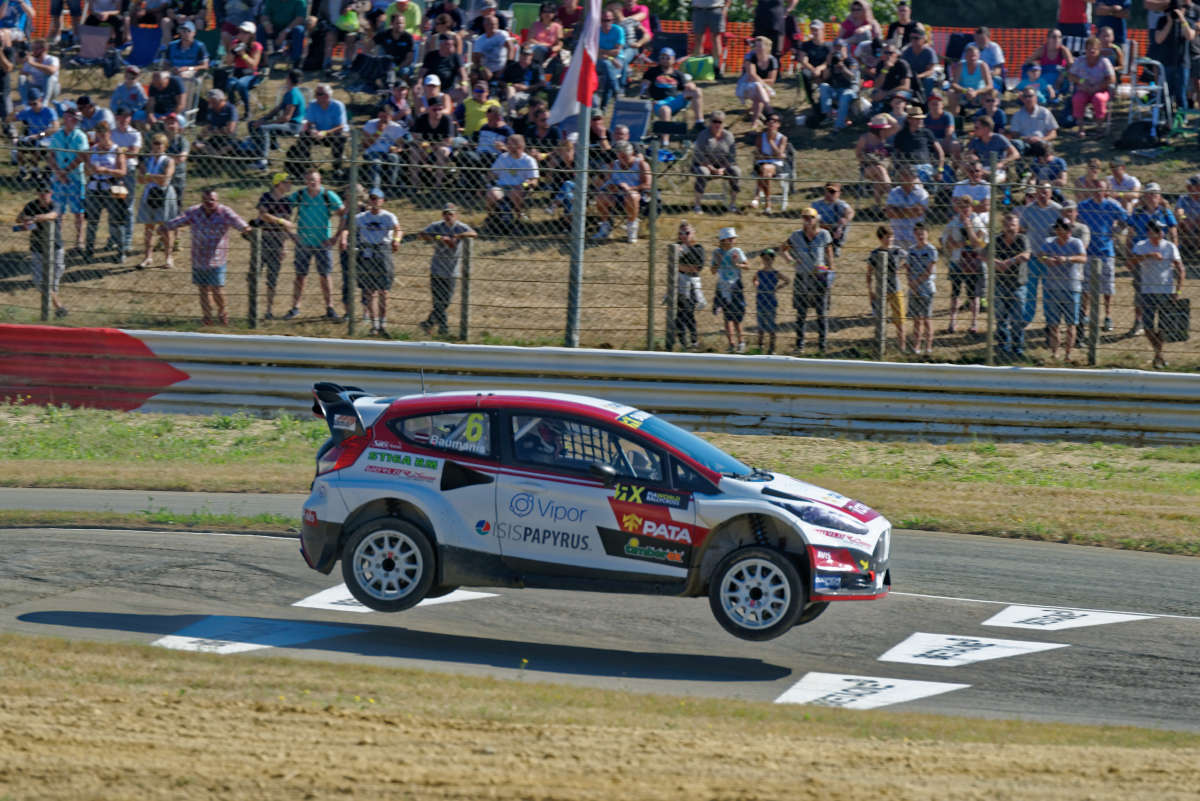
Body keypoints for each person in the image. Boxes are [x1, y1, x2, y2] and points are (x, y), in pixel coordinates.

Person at [164, 188, 251, 326]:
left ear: (217, 200)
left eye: (212, 200)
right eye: (206, 200)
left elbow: (239, 223)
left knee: (217, 289)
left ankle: (222, 313)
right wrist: (165, 227)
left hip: (217, 258)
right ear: (202, 201)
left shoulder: (225, 212)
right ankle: (207, 317)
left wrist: (247, 230)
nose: (209, 202)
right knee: (203, 289)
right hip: (199, 258)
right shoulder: (194, 212)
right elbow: (179, 220)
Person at [281, 168, 345, 322]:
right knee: (300, 276)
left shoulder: (328, 196)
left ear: (320, 180)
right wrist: (291, 234)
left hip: (323, 242)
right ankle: (295, 307)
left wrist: (336, 237)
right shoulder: (300, 195)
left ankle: (330, 307)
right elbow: (282, 209)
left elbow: (343, 215)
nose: (311, 182)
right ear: (305, 181)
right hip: (303, 243)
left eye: (314, 179)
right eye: (309, 179)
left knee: (325, 275)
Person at [1131, 219, 1185, 368]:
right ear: (1149, 232)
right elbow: (1130, 263)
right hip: (1147, 291)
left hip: (1166, 291)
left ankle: (1157, 355)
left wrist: (1178, 290)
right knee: (1147, 326)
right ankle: (1159, 355)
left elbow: (1181, 269)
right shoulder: (1141, 246)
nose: (1161, 233)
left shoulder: (1170, 246)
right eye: (1157, 230)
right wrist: (1148, 255)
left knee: (1163, 327)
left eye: (1162, 230)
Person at [1126, 184, 1179, 336]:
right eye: (1149, 193)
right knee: (1139, 290)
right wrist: (1129, 254)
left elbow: (1173, 232)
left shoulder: (1165, 212)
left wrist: (1173, 252)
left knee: (1162, 288)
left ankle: (1164, 321)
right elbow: (1130, 233)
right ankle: (1139, 321)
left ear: (1160, 196)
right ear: (1144, 196)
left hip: (1161, 257)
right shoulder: (1138, 212)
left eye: (1155, 193)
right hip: (1141, 255)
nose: (1152, 196)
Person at [1077, 183, 1129, 335]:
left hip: (1106, 251)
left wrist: (1116, 231)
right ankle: (1085, 314)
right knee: (1086, 286)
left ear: (1106, 191)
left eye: (1101, 189)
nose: (1098, 192)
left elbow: (1126, 219)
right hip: (1088, 251)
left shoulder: (1112, 205)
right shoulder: (1084, 206)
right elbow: (1076, 221)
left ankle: (1107, 315)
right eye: (1095, 189)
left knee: (1107, 286)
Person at [418, 203, 476, 337]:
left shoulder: (460, 227)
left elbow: (474, 233)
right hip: (437, 268)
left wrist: (458, 236)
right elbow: (421, 234)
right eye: (446, 214)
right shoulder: (437, 226)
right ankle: (443, 329)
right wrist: (439, 237)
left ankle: (428, 323)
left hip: (451, 271)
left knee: (445, 302)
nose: (448, 216)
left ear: (456, 215)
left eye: (451, 214)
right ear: (442, 215)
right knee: (438, 302)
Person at [784, 207, 834, 354]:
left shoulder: (824, 234)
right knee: (801, 313)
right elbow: (783, 249)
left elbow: (829, 254)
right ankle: (799, 345)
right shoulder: (796, 235)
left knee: (821, 312)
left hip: (819, 276)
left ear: (816, 219)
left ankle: (822, 345)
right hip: (802, 276)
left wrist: (829, 271)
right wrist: (791, 261)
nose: (808, 220)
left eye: (811, 217)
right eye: (805, 217)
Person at [353, 188, 402, 337]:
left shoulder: (388, 216)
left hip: (382, 251)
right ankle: (374, 324)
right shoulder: (360, 217)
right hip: (367, 252)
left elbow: (398, 230)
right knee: (369, 290)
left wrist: (396, 240)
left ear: (382, 201)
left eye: (377, 199)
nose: (374, 202)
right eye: (372, 199)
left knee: (383, 290)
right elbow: (351, 231)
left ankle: (383, 322)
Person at [1041, 217, 1088, 361]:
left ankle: (1068, 354)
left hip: (1071, 287)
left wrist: (1066, 259)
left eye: (1068, 229)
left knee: (1071, 323)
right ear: (1057, 230)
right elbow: (1040, 255)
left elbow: (1083, 258)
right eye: (1063, 229)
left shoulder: (1076, 242)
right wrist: (1046, 259)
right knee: (1053, 324)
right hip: (1052, 288)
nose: (1067, 231)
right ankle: (1055, 353)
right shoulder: (1049, 242)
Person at [18, 184, 67, 318]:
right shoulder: (31, 205)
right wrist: (25, 219)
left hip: (55, 246)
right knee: (39, 280)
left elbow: (52, 215)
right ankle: (59, 307)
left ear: (51, 193)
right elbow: (19, 218)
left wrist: (34, 218)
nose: (43, 194)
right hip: (37, 247)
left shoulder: (55, 204)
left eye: (46, 192)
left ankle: (51, 303)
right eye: (40, 192)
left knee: (57, 273)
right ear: (37, 193)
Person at [941, 194, 988, 335]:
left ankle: (974, 323)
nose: (964, 209)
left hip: (973, 261)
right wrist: (958, 243)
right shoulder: (953, 222)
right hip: (957, 261)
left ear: (971, 207)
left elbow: (978, 242)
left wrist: (969, 228)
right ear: (957, 208)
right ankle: (952, 323)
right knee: (955, 293)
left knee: (973, 295)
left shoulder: (977, 221)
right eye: (961, 207)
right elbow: (947, 242)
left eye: (967, 207)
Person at [82, 121, 128, 263]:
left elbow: (123, 171)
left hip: (111, 187)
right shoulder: (92, 149)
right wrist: (91, 169)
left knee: (116, 221)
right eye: (99, 132)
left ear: (109, 133)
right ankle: (89, 251)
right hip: (94, 188)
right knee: (92, 221)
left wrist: (106, 170)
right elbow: (86, 170)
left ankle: (121, 251)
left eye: (104, 132)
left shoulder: (116, 149)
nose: (102, 135)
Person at [1019, 183, 1063, 326]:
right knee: (1030, 290)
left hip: (1050, 259)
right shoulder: (1028, 210)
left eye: (1046, 192)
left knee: (1049, 291)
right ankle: (1026, 319)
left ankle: (1050, 320)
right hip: (1032, 256)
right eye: (1040, 192)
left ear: (1051, 193)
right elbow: (1022, 228)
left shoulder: (1057, 210)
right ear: (1036, 194)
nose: (1043, 195)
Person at [254, 172, 296, 319]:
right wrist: (281, 221)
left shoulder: (287, 202)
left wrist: (284, 245)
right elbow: (263, 215)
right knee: (255, 275)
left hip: (278, 241)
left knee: (272, 278)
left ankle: (268, 310)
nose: (290, 185)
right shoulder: (266, 197)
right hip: (263, 239)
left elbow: (287, 227)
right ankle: (253, 308)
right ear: (278, 184)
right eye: (287, 182)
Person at [135, 132, 179, 270]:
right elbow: (140, 179)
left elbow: (165, 179)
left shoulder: (169, 160)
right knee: (149, 227)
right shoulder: (147, 160)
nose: (157, 147)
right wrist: (153, 177)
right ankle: (147, 257)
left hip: (164, 194)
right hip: (150, 193)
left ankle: (168, 257)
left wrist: (149, 176)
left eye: (160, 144)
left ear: (165, 146)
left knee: (166, 228)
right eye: (155, 144)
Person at [594, 142, 650, 243]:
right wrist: (612, 187)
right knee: (600, 197)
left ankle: (632, 228)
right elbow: (606, 183)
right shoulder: (613, 165)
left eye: (625, 157)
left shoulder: (641, 164)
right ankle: (605, 227)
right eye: (620, 156)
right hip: (617, 194)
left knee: (631, 196)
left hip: (636, 195)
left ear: (631, 153)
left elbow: (647, 185)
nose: (622, 159)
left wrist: (630, 188)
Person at [47, 108, 87, 250]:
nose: (75, 121)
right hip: (58, 179)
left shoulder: (81, 136)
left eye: (77, 120)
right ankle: (57, 238)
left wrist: (65, 172)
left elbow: (81, 156)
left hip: (76, 179)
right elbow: (51, 155)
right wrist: (59, 173)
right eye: (73, 118)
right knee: (58, 210)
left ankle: (79, 240)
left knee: (78, 211)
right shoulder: (57, 135)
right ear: (66, 118)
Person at [993, 211, 1031, 361]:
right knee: (1001, 318)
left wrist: (1009, 262)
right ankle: (1003, 346)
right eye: (1008, 225)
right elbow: (983, 254)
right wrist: (996, 262)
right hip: (1000, 283)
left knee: (1018, 318)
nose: (1010, 228)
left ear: (1018, 226)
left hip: (1018, 284)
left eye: (1013, 225)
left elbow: (1026, 255)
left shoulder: (1022, 239)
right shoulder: (997, 240)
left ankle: (1017, 347)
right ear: (1003, 226)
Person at [250, 68, 305, 169]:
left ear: (288, 78)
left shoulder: (293, 94)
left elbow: (286, 118)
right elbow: (277, 109)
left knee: (263, 128)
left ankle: (263, 161)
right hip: (287, 124)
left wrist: (265, 123)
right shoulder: (289, 93)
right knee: (251, 124)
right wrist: (263, 119)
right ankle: (259, 153)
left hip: (293, 126)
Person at [640, 48, 704, 133]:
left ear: (673, 59)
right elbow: (644, 89)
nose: (665, 60)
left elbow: (688, 86)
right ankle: (665, 140)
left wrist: (691, 85)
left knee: (697, 91)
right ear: (659, 59)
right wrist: (650, 100)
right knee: (666, 110)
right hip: (659, 103)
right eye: (662, 57)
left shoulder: (678, 74)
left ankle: (699, 123)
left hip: (675, 101)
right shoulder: (652, 72)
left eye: (668, 58)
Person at [867, 225, 907, 353]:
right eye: (887, 237)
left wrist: (900, 268)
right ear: (880, 238)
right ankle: (880, 346)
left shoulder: (897, 251)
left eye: (891, 237)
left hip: (896, 289)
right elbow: (869, 273)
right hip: (881, 290)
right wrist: (870, 291)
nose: (890, 239)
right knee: (880, 319)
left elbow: (909, 259)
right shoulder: (874, 254)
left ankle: (902, 347)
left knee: (900, 320)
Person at [691, 110, 739, 214]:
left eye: (720, 122)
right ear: (710, 122)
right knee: (703, 172)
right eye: (714, 121)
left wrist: (723, 169)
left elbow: (732, 157)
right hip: (704, 164)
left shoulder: (729, 136)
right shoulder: (703, 135)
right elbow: (699, 156)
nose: (717, 124)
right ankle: (697, 205)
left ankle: (733, 205)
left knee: (736, 171)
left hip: (723, 166)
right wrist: (712, 169)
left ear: (723, 123)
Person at [110, 107, 142, 257]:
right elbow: (108, 151)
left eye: (127, 116)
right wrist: (124, 151)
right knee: (113, 206)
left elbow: (134, 153)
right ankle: (114, 237)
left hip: (129, 172)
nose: (124, 119)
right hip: (114, 172)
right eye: (121, 116)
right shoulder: (111, 133)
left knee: (128, 206)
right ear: (117, 117)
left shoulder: (135, 134)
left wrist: (118, 152)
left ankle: (127, 240)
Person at [1068, 37, 1116, 136]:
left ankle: (1099, 127)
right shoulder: (1080, 61)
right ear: (1085, 50)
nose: (1092, 51)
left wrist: (1098, 86)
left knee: (1098, 99)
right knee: (1077, 98)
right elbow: (1070, 75)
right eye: (1089, 48)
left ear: (1099, 50)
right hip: (1083, 90)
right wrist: (1082, 82)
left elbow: (1112, 79)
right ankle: (1080, 128)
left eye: (1095, 49)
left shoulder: (1104, 61)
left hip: (1101, 90)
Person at [711, 226, 748, 353]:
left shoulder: (737, 251)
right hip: (723, 286)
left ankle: (741, 342)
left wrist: (737, 264)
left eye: (733, 238)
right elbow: (712, 271)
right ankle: (731, 344)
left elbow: (747, 266)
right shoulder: (717, 253)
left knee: (737, 317)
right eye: (730, 239)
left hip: (735, 285)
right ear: (723, 240)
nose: (733, 241)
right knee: (727, 317)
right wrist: (717, 263)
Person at [215, 20, 263, 119]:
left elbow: (253, 65)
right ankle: (232, 110)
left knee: (241, 84)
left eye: (245, 33)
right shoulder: (235, 43)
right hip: (237, 73)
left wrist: (243, 54)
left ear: (251, 35)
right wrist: (232, 51)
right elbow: (228, 62)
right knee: (230, 83)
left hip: (251, 75)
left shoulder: (256, 46)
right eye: (240, 32)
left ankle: (247, 111)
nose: (241, 34)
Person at [486, 133, 537, 222]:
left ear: (520, 146)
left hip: (519, 187)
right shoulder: (503, 157)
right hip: (502, 187)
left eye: (511, 144)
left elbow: (534, 180)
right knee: (492, 193)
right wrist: (489, 183)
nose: (508, 146)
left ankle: (518, 216)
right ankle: (492, 216)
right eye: (508, 144)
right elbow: (492, 173)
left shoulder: (529, 160)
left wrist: (523, 185)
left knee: (515, 192)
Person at [12, 88, 57, 183]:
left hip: (47, 139)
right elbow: (8, 119)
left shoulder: (49, 111)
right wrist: (14, 110)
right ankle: (23, 170)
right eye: (30, 104)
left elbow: (55, 127)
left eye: (34, 104)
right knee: (19, 144)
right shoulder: (28, 111)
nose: (32, 106)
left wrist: (40, 135)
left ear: (40, 100)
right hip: (32, 138)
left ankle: (35, 171)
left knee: (36, 144)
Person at [892, 105, 944, 186]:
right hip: (908, 169)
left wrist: (940, 170)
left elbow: (940, 152)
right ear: (909, 120)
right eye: (917, 119)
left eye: (921, 119)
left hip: (926, 167)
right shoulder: (901, 135)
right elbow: (895, 154)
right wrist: (899, 168)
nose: (920, 121)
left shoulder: (927, 133)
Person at [302, 84, 349, 173]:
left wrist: (325, 133)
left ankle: (337, 168)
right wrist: (313, 130)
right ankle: (307, 165)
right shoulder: (312, 104)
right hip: (317, 134)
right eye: (315, 93)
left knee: (340, 137)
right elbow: (310, 122)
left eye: (318, 94)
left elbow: (340, 126)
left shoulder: (338, 106)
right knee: (304, 136)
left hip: (333, 134)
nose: (315, 96)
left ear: (327, 96)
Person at [408, 101, 456, 188]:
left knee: (441, 151)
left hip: (442, 147)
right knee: (414, 151)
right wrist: (424, 148)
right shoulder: (422, 118)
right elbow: (415, 136)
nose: (437, 112)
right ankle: (414, 183)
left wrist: (430, 149)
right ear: (428, 109)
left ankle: (438, 184)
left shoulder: (447, 119)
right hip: (424, 147)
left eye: (440, 109)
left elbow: (448, 141)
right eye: (434, 109)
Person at [906, 223, 937, 356]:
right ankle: (916, 346)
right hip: (913, 289)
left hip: (926, 288)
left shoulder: (931, 250)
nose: (920, 236)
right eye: (918, 234)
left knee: (926, 319)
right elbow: (908, 268)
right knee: (916, 320)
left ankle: (928, 346)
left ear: (927, 233)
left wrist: (915, 283)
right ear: (914, 234)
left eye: (923, 233)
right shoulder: (911, 250)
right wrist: (911, 284)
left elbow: (929, 271)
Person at [674, 220, 705, 350]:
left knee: (688, 313)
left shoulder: (698, 248)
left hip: (692, 285)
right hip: (679, 284)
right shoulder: (675, 247)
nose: (684, 236)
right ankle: (683, 343)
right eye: (681, 233)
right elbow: (673, 265)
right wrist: (684, 266)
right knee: (679, 315)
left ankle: (693, 341)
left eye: (687, 233)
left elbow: (697, 268)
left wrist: (681, 265)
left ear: (693, 233)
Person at [818, 40, 860, 132]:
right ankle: (829, 116)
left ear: (845, 49)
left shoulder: (852, 61)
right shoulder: (833, 61)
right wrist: (829, 64)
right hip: (836, 90)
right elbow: (825, 77)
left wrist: (843, 67)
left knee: (844, 96)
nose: (838, 50)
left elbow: (852, 77)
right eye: (836, 47)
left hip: (850, 90)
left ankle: (839, 125)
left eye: (840, 47)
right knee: (823, 86)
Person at [737, 36, 778, 130]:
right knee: (758, 87)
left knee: (758, 95)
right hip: (745, 85)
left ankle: (754, 123)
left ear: (767, 47)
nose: (758, 49)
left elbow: (772, 80)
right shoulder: (751, 57)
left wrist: (763, 84)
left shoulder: (772, 60)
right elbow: (751, 75)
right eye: (756, 46)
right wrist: (763, 85)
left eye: (760, 46)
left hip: (760, 88)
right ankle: (769, 110)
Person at [886, 164, 929, 252]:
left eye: (907, 175)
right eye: (902, 175)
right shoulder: (893, 192)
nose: (904, 178)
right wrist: (910, 210)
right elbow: (889, 213)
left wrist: (897, 211)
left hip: (915, 238)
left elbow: (918, 212)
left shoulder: (922, 193)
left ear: (914, 177)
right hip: (897, 237)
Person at [750, 113, 786, 214]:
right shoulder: (760, 137)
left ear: (779, 124)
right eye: (769, 120)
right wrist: (771, 156)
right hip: (761, 163)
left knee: (765, 170)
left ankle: (757, 197)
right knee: (767, 173)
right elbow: (757, 154)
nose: (771, 122)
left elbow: (779, 155)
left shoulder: (782, 138)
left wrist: (771, 141)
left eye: (775, 121)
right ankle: (767, 205)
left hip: (776, 165)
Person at [753, 248, 787, 354]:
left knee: (771, 324)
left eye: (768, 259)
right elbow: (754, 279)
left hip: (771, 301)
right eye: (764, 259)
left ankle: (772, 348)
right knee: (760, 324)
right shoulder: (760, 272)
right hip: (760, 300)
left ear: (773, 260)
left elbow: (787, 280)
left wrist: (778, 288)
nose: (766, 261)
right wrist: (756, 284)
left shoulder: (776, 273)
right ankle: (760, 346)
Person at [856, 114, 893, 208]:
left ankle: (877, 205)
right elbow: (858, 155)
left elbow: (897, 127)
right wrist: (870, 158)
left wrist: (887, 116)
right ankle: (892, 196)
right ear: (877, 129)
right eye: (883, 129)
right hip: (866, 168)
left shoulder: (883, 138)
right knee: (880, 170)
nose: (885, 130)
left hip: (882, 167)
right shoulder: (864, 138)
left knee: (878, 178)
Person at [594, 7, 627, 112]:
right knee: (607, 65)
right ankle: (617, 91)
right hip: (606, 61)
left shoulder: (618, 30)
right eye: (603, 20)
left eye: (608, 20)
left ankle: (603, 108)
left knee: (608, 74)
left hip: (617, 59)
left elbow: (617, 51)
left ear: (613, 20)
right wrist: (610, 57)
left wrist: (604, 53)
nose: (606, 23)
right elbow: (595, 51)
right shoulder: (596, 31)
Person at [259, 0, 308, 68]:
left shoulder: (300, 1)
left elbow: (300, 18)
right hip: (275, 27)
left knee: (299, 30)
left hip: (291, 29)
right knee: (261, 28)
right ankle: (262, 59)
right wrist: (266, 23)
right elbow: (265, 15)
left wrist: (285, 32)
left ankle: (295, 62)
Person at [1008, 87, 1058, 153]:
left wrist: (1040, 139)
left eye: (1030, 96)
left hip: (1041, 142)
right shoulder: (1017, 115)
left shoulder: (1045, 112)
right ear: (1022, 99)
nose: (1027, 99)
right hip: (1024, 143)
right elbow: (1014, 134)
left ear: (1036, 98)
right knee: (1015, 144)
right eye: (1025, 96)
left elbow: (1053, 133)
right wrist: (1025, 139)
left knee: (1044, 146)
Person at [191, 88, 238, 156]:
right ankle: (213, 155)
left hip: (228, 140)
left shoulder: (231, 109)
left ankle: (213, 155)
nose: (211, 104)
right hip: (215, 139)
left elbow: (230, 130)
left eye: (214, 102)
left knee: (228, 148)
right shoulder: (211, 109)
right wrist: (200, 137)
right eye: (210, 102)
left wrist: (213, 131)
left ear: (221, 100)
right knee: (195, 144)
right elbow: (208, 126)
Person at [948, 44, 992, 116]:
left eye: (974, 56)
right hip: (963, 92)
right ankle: (955, 118)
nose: (972, 58)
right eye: (970, 56)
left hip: (979, 93)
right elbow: (954, 84)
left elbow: (990, 85)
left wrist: (976, 92)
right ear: (965, 56)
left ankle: (986, 118)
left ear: (978, 56)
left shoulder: (983, 65)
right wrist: (965, 91)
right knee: (951, 93)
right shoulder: (960, 65)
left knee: (992, 94)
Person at [812, 182, 854, 257]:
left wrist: (842, 223)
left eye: (832, 192)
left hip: (836, 228)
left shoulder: (840, 203)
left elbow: (850, 212)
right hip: (822, 227)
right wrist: (825, 226)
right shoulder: (816, 204)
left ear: (839, 193)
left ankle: (836, 246)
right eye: (827, 191)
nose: (829, 194)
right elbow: (813, 218)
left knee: (846, 221)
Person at [796, 20, 830, 107]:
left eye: (816, 30)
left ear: (822, 30)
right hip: (810, 69)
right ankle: (810, 100)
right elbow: (804, 60)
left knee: (829, 71)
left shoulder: (828, 45)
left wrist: (819, 68)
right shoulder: (805, 45)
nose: (814, 32)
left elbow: (828, 61)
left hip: (823, 69)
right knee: (804, 74)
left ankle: (828, 96)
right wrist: (813, 70)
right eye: (812, 30)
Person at [19, 39, 60, 108]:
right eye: (32, 49)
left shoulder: (53, 59)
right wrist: (23, 63)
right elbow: (22, 74)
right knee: (22, 78)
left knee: (48, 76)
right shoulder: (32, 60)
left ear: (44, 49)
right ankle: (25, 103)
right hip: (37, 88)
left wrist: (33, 64)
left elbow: (52, 71)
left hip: (52, 89)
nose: (33, 51)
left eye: (35, 49)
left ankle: (45, 103)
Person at [691, 0, 728, 77]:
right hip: (698, 9)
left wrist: (726, 8)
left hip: (716, 8)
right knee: (698, 39)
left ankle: (716, 67)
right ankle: (697, 67)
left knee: (716, 38)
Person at [900, 26, 938, 101]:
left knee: (929, 80)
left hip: (924, 76)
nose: (913, 40)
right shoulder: (906, 51)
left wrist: (918, 76)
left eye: (916, 38)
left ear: (923, 39)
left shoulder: (929, 52)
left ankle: (926, 101)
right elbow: (902, 67)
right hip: (910, 76)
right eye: (911, 38)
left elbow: (930, 71)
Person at [472, 11, 512, 75]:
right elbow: (475, 59)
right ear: (485, 26)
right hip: (486, 69)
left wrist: (507, 66)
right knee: (473, 75)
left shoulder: (502, 35)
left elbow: (510, 48)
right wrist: (482, 69)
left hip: (503, 68)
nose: (493, 26)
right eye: (490, 24)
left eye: (495, 24)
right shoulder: (479, 40)